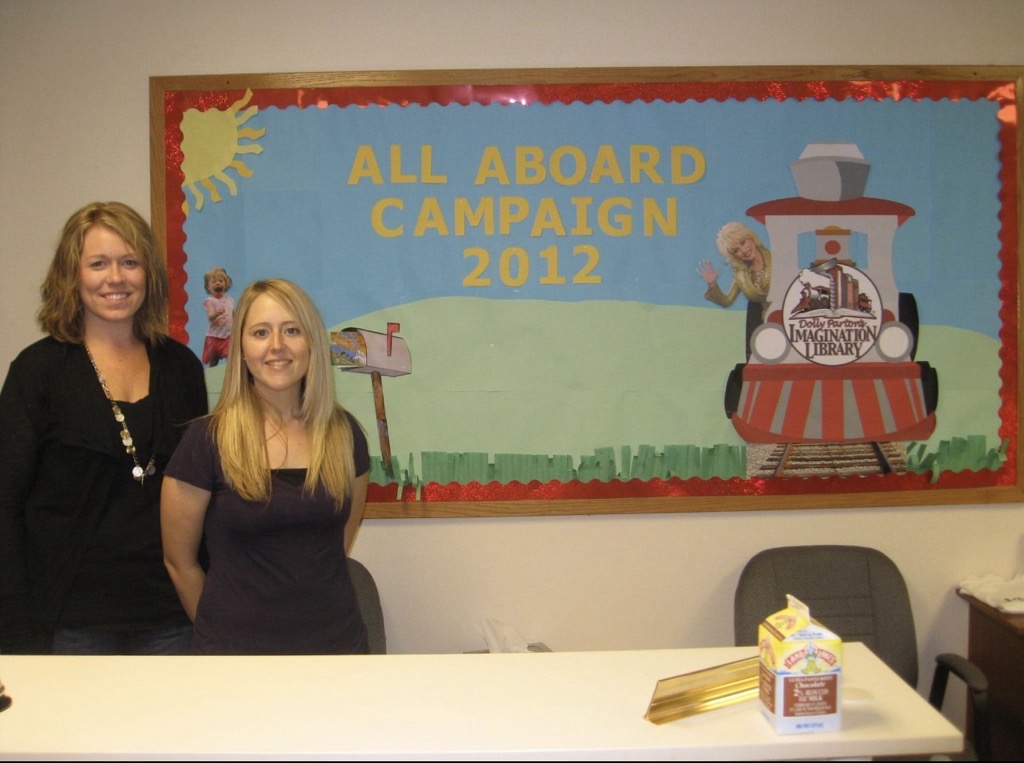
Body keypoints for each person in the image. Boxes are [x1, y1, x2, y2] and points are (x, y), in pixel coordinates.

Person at [0, 201, 209, 654]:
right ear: (72, 276)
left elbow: (200, 495)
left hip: (170, 615)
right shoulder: (37, 372)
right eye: (98, 264)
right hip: (70, 623)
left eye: (129, 262)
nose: (116, 278)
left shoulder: (182, 368)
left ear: (148, 274)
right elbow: (6, 505)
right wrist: (13, 631)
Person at [161, 278, 370, 655]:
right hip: (236, 658)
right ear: (241, 347)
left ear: (311, 343)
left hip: (337, 652)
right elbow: (180, 562)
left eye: (292, 330)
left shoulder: (344, 435)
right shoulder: (206, 441)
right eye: (260, 332)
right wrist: (219, 634)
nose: (277, 346)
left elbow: (337, 546)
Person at [697, 221, 772, 357]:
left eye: (743, 242)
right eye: (736, 250)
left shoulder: (776, 260)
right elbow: (727, 301)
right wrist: (712, 284)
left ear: (750, 237)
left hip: (784, 319)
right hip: (759, 326)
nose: (743, 251)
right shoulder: (740, 273)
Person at [201, 266, 234, 367]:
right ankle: (212, 379)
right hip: (214, 337)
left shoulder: (230, 300)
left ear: (226, 284)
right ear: (208, 287)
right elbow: (210, 316)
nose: (218, 283)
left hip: (228, 335)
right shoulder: (210, 301)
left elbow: (234, 315)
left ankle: (229, 379)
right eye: (214, 282)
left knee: (231, 358)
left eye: (221, 281)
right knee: (213, 362)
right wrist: (216, 313)